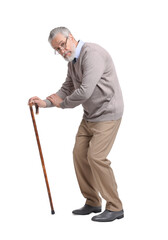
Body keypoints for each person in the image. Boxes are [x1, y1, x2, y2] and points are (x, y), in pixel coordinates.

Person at [28, 27, 124, 222]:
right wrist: (45, 102)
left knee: (96, 157)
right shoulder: (73, 62)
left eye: (62, 45)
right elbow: (68, 87)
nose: (62, 51)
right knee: (79, 155)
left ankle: (115, 207)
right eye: (58, 49)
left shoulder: (92, 54)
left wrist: (61, 104)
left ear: (71, 37)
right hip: (90, 115)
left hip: (108, 114)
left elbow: (85, 92)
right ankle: (92, 202)